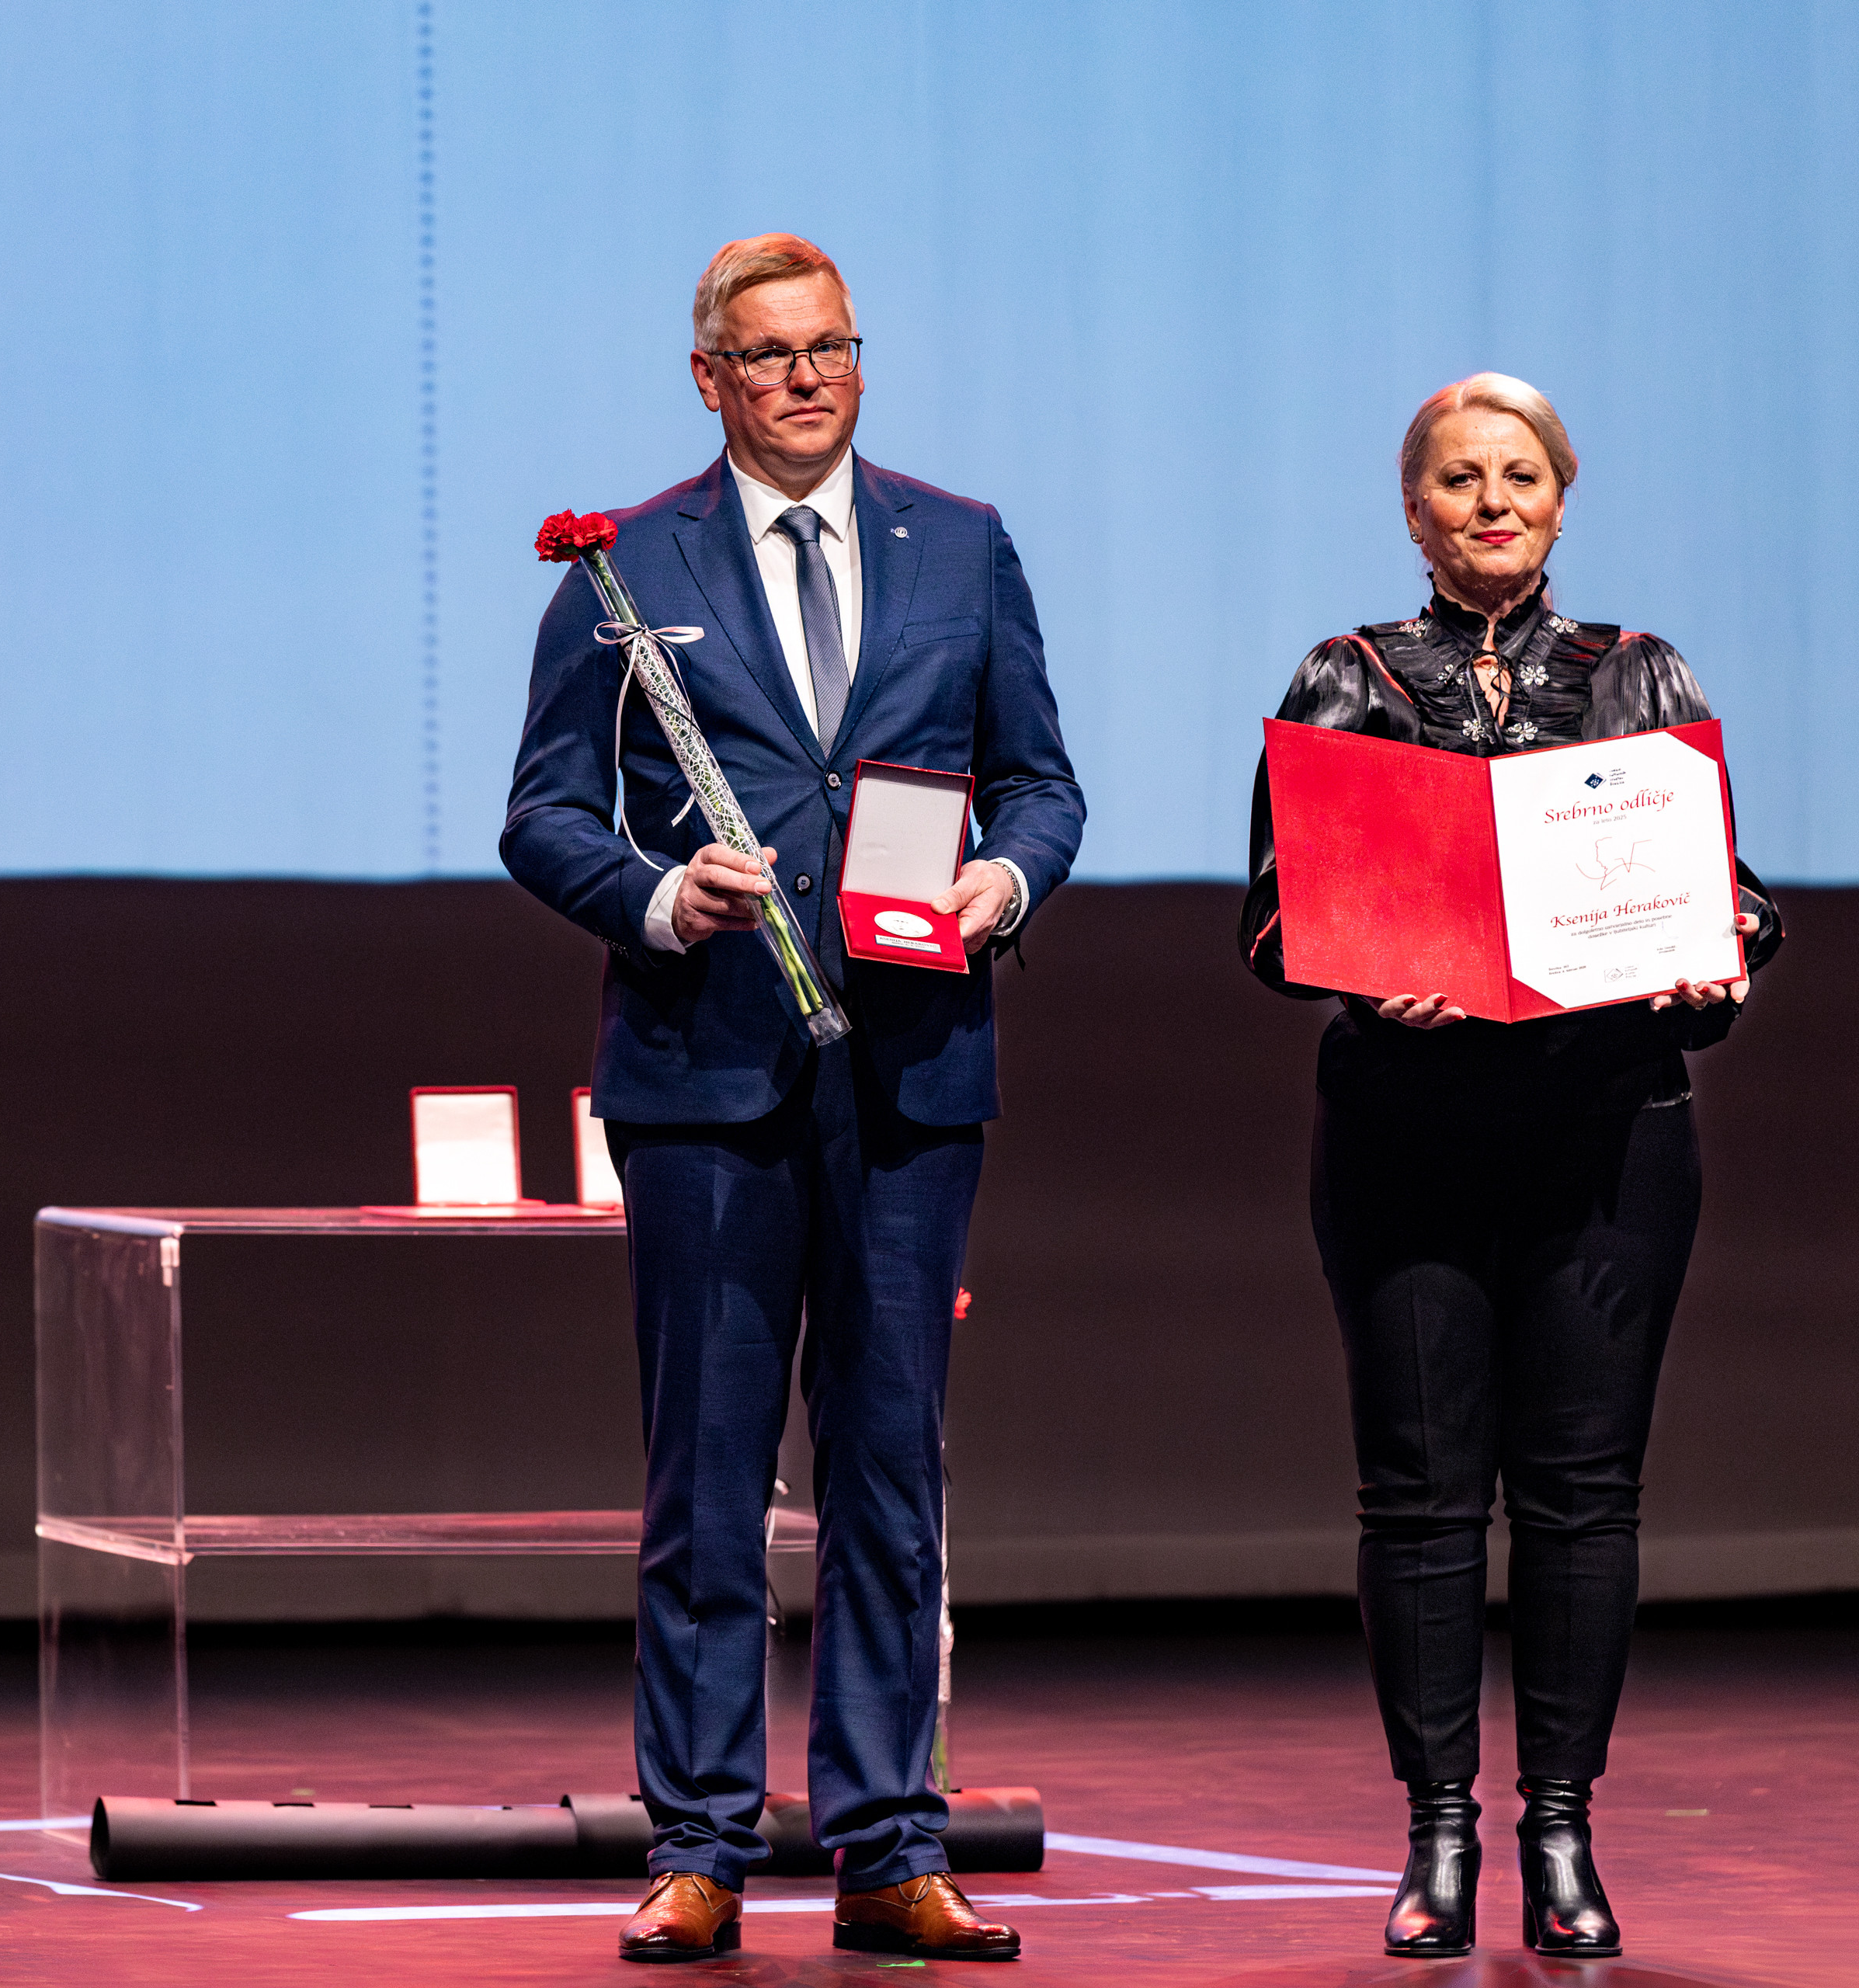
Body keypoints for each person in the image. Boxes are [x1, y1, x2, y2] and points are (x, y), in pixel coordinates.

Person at [502, 234, 1083, 1964]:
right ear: (709, 378)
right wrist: (656, 896)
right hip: (705, 1074)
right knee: (707, 1475)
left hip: (911, 1071)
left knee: (892, 1467)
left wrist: (1004, 884)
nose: (807, 377)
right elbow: (544, 812)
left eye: (831, 346)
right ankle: (697, 1842)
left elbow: (1041, 784)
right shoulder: (622, 564)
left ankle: (890, 1842)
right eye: (768, 354)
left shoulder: (961, 544)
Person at [1239, 374, 1784, 1961]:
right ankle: (1438, 1832)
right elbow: (1270, 918)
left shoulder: (1641, 672)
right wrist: (1360, 970)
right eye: (1461, 478)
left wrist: (1724, 945)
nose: (1493, 502)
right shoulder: (1344, 676)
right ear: (1414, 507)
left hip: (1607, 1135)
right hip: (1408, 1136)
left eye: (1521, 475)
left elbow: (1733, 893)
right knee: (1418, 1499)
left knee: (1583, 1497)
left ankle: (1561, 1828)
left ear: (1562, 496)